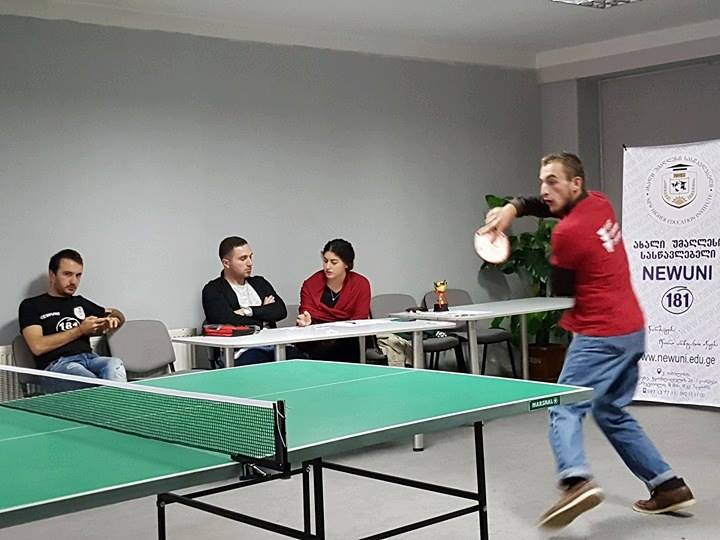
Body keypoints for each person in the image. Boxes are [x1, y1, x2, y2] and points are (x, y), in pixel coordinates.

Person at [479, 152, 695, 529]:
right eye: (542, 181)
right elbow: (548, 206)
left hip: (600, 334)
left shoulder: (567, 234)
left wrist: (501, 251)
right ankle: (667, 485)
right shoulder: (599, 202)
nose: (544, 190)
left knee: (563, 406)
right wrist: (513, 208)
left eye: (553, 181)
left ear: (575, 183)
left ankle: (575, 481)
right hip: (631, 331)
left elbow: (563, 288)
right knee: (610, 411)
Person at [18, 249, 127, 383]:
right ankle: (107, 395)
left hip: (90, 359)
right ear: (52, 275)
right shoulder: (31, 305)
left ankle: (114, 396)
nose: (74, 281)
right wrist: (80, 330)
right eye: (67, 274)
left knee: (114, 364)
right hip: (57, 366)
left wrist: (114, 319)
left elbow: (115, 313)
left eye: (78, 275)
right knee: (89, 380)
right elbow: (37, 346)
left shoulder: (80, 302)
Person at [202, 236, 302, 366]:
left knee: (301, 360)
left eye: (250, 257)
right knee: (261, 365)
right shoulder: (213, 289)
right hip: (242, 350)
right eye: (243, 258)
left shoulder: (260, 283)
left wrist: (247, 311)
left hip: (274, 344)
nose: (249, 263)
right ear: (226, 263)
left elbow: (280, 311)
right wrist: (264, 314)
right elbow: (225, 319)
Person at [296, 239, 371, 362]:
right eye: (325, 261)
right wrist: (307, 320)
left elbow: (360, 319)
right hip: (317, 338)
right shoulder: (311, 284)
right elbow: (306, 312)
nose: (328, 267)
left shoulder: (360, 284)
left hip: (349, 337)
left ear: (346, 264)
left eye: (334, 262)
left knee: (345, 344)